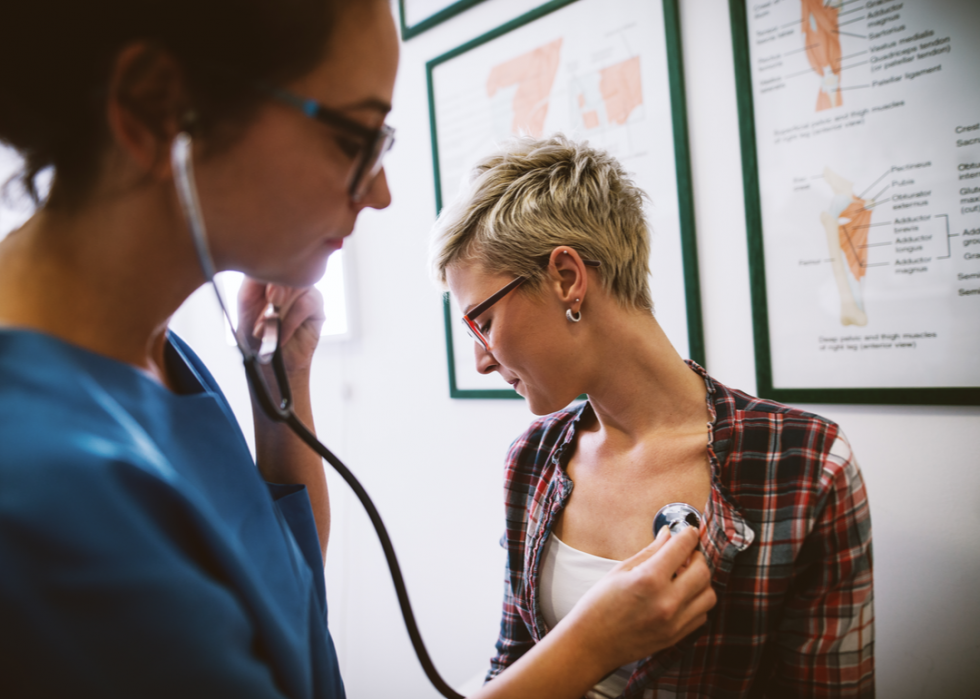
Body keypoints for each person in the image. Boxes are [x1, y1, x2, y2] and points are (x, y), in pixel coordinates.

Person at [0, 2, 717, 698]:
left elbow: (281, 583)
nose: (380, 192)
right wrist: (590, 645)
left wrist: (278, 389)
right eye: (354, 139)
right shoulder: (41, 482)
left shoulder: (160, 357)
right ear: (157, 108)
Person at [431, 135, 875, 698]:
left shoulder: (808, 465)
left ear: (567, 278)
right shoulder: (532, 462)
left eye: (483, 321)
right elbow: (512, 665)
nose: (480, 361)